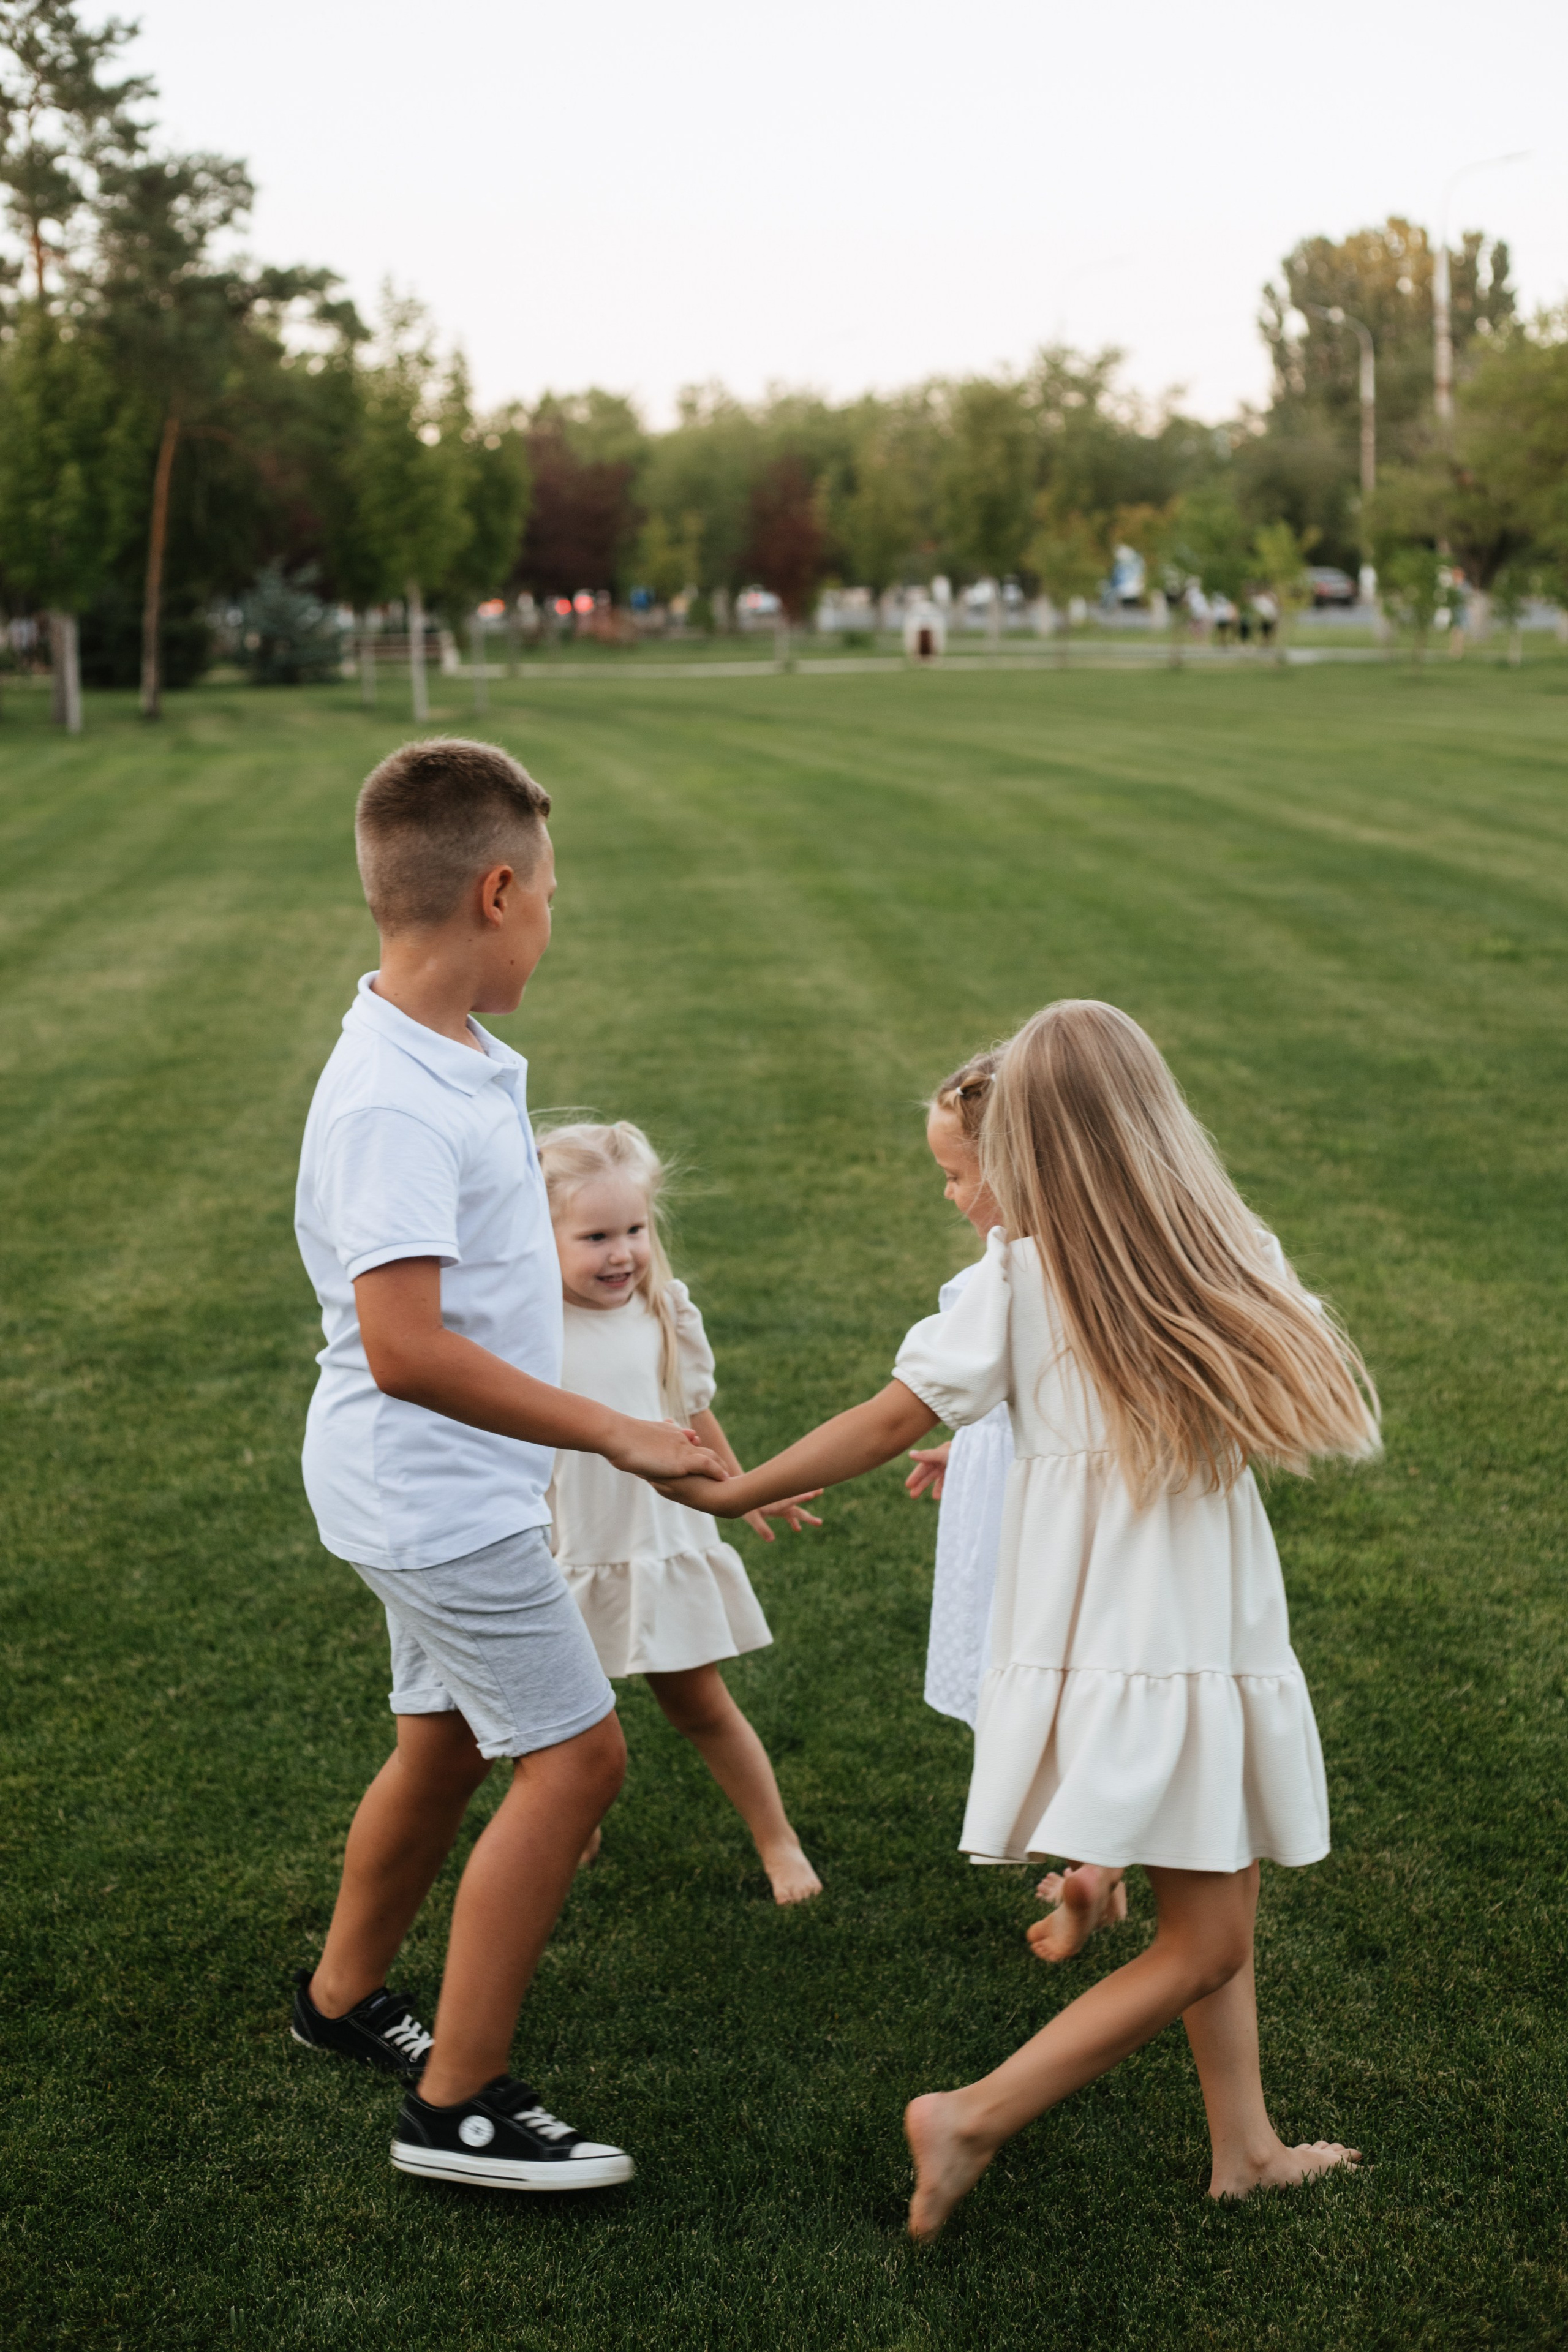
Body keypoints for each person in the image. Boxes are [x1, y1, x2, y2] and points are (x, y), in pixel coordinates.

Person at [662, 1000, 1379, 2236]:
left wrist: (737, 1487)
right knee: (1206, 1937)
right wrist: (745, 1486)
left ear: (1038, 1149)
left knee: (1218, 1910)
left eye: (970, 1171)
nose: (962, 1196)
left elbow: (892, 1416)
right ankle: (974, 2115)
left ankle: (1244, 2147)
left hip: (1143, 1638)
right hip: (1169, 1638)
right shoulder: (1216, 1249)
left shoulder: (1026, 1280)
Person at [290, 737, 725, 2193]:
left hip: (435, 1482)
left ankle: (341, 1998)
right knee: (578, 1755)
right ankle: (454, 2103)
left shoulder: (451, 1056)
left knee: (448, 1737)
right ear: (493, 891)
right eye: (547, 892)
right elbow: (405, 1343)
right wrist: (612, 1429)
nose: (553, 915)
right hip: (429, 1489)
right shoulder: (392, 1102)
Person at [538, 1120, 824, 1904]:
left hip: (653, 1537)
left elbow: (690, 1412)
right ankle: (569, 1825)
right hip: (560, 1544)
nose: (622, 1253)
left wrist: (748, 1485)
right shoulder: (523, 1328)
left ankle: (778, 1839)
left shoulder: (661, 1310)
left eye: (634, 1229)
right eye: (594, 1236)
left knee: (701, 1705)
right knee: (554, 1722)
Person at [908, 1051, 1126, 1953]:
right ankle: (1097, 1869)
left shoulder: (1003, 1281)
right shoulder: (1105, 1260)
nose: (952, 1197)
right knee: (1092, 1684)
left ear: (1017, 1167)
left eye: (958, 1176)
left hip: (1041, 1515)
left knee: (1055, 1679)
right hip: (1035, 1485)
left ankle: (1095, 1866)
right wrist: (970, 1443)